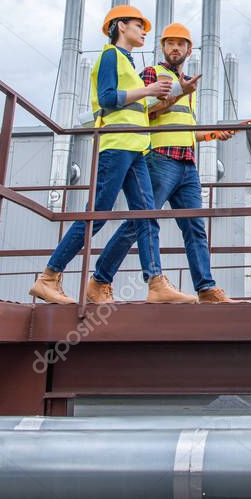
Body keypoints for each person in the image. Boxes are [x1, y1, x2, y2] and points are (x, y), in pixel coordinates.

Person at [29, 6, 197, 304]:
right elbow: (107, 98)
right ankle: (48, 278)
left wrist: (171, 95)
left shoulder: (129, 64)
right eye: (138, 25)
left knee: (147, 216)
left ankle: (156, 284)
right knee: (99, 215)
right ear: (120, 26)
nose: (144, 31)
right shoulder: (110, 55)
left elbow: (141, 109)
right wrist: (147, 91)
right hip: (116, 145)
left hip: (135, 149)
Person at [99, 22, 237, 303]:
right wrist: (178, 93)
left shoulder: (187, 83)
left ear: (189, 49)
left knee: (195, 227)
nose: (175, 48)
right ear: (162, 47)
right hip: (160, 159)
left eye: (181, 43)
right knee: (140, 223)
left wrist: (212, 134)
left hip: (187, 163)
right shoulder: (151, 73)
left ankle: (206, 288)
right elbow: (141, 113)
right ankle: (100, 278)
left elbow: (182, 127)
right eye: (169, 43)